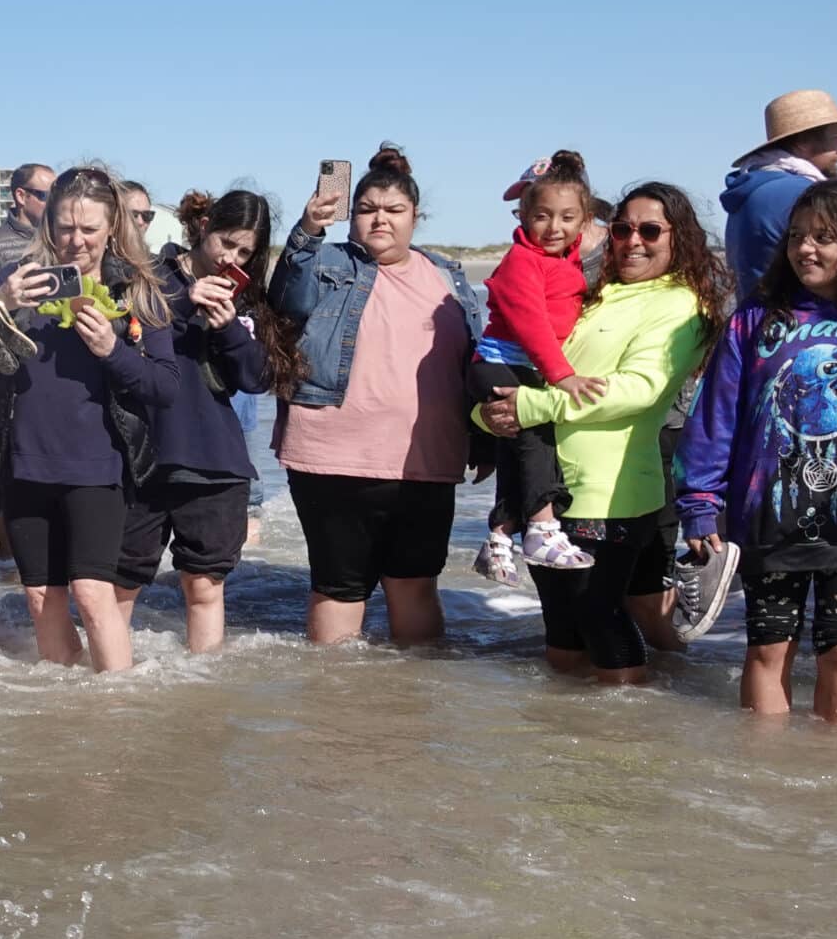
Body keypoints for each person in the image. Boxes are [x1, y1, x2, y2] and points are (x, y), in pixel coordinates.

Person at [474, 183, 721, 687]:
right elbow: (524, 368)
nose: (633, 241)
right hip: (541, 482)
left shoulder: (681, 305)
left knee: (598, 613)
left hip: (611, 492)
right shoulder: (593, 290)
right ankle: (563, 743)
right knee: (561, 627)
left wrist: (529, 405)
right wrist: (487, 414)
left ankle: (628, 735)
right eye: (623, 228)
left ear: (680, 239)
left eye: (650, 230)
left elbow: (640, 389)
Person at [0, 167, 178, 671]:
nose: (75, 241)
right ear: (47, 224)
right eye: (64, 227)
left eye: (89, 230)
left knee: (93, 595)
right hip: (23, 461)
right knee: (40, 601)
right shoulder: (15, 279)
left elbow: (165, 387)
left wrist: (111, 350)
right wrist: (2, 305)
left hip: (98, 466)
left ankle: (119, 714)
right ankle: (71, 712)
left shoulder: (136, 289)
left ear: (113, 227)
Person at [678, 179, 837, 727]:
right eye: (797, 236)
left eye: (824, 237)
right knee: (768, 650)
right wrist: (699, 502)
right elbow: (715, 417)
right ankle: (765, 790)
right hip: (769, 516)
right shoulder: (756, 320)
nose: (805, 248)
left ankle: (829, 783)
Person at [270, 146, 486, 647]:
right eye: (367, 209)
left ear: (415, 216)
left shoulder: (448, 276)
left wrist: (486, 440)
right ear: (352, 216)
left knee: (414, 586)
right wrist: (307, 231)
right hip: (332, 459)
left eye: (394, 210)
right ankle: (333, 710)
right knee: (338, 589)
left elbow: (473, 366)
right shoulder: (327, 263)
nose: (380, 220)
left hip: (426, 463)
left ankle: (410, 712)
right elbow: (286, 298)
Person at [117, 190, 285, 653]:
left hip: (215, 459)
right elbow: (129, 346)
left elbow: (255, 380)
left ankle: (204, 700)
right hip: (143, 457)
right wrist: (187, 303)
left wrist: (229, 327)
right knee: (121, 582)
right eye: (226, 242)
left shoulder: (242, 295)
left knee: (205, 587)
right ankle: (109, 693)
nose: (230, 258)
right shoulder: (150, 277)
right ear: (204, 226)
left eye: (244, 252)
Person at [469, 150, 602, 583]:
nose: (554, 228)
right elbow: (532, 325)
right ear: (523, 215)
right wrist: (563, 376)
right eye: (542, 216)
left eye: (567, 218)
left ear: (584, 221)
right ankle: (543, 527)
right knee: (536, 434)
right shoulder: (522, 261)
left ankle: (500, 536)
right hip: (497, 362)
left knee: (515, 452)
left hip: (527, 367)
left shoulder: (569, 261)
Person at [723, 90, 837, 304]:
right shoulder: (800, 194)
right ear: (803, 143)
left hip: (760, 320)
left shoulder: (755, 187)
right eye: (836, 139)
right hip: (802, 322)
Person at [0, 162, 54, 286]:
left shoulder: (57, 240)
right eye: (47, 196)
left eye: (57, 196)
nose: (54, 203)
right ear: (21, 196)